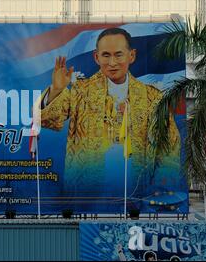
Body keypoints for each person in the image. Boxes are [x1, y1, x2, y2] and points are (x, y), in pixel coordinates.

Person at [38, 27, 181, 212]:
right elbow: (48, 119)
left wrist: (160, 190)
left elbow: (170, 145)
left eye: (118, 55)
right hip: (88, 195)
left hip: (136, 195)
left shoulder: (152, 97)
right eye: (106, 55)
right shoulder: (80, 91)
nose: (112, 62)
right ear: (96, 58)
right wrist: (56, 90)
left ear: (131, 55)